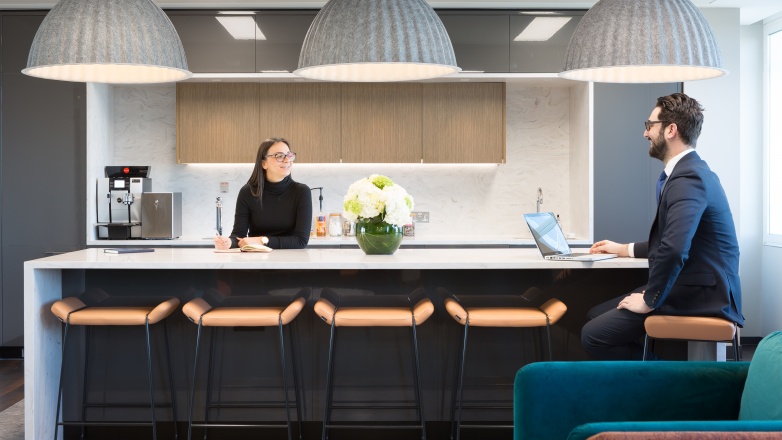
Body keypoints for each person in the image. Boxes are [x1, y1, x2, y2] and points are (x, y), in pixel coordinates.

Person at [582, 93, 743, 360]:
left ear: (670, 130)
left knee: (593, 335)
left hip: (704, 296)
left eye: (649, 125)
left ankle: (663, 381)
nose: (645, 133)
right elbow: (673, 241)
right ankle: (655, 374)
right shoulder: (687, 172)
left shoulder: (689, 177)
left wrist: (649, 300)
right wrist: (624, 249)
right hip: (692, 285)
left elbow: (675, 247)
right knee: (594, 315)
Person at [214, 137, 312, 250]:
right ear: (264, 163)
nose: (287, 160)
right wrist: (228, 242)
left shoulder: (301, 192)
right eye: (279, 156)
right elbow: (239, 236)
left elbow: (301, 241)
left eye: (289, 155)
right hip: (256, 258)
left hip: (291, 261)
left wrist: (262, 240)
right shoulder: (247, 192)